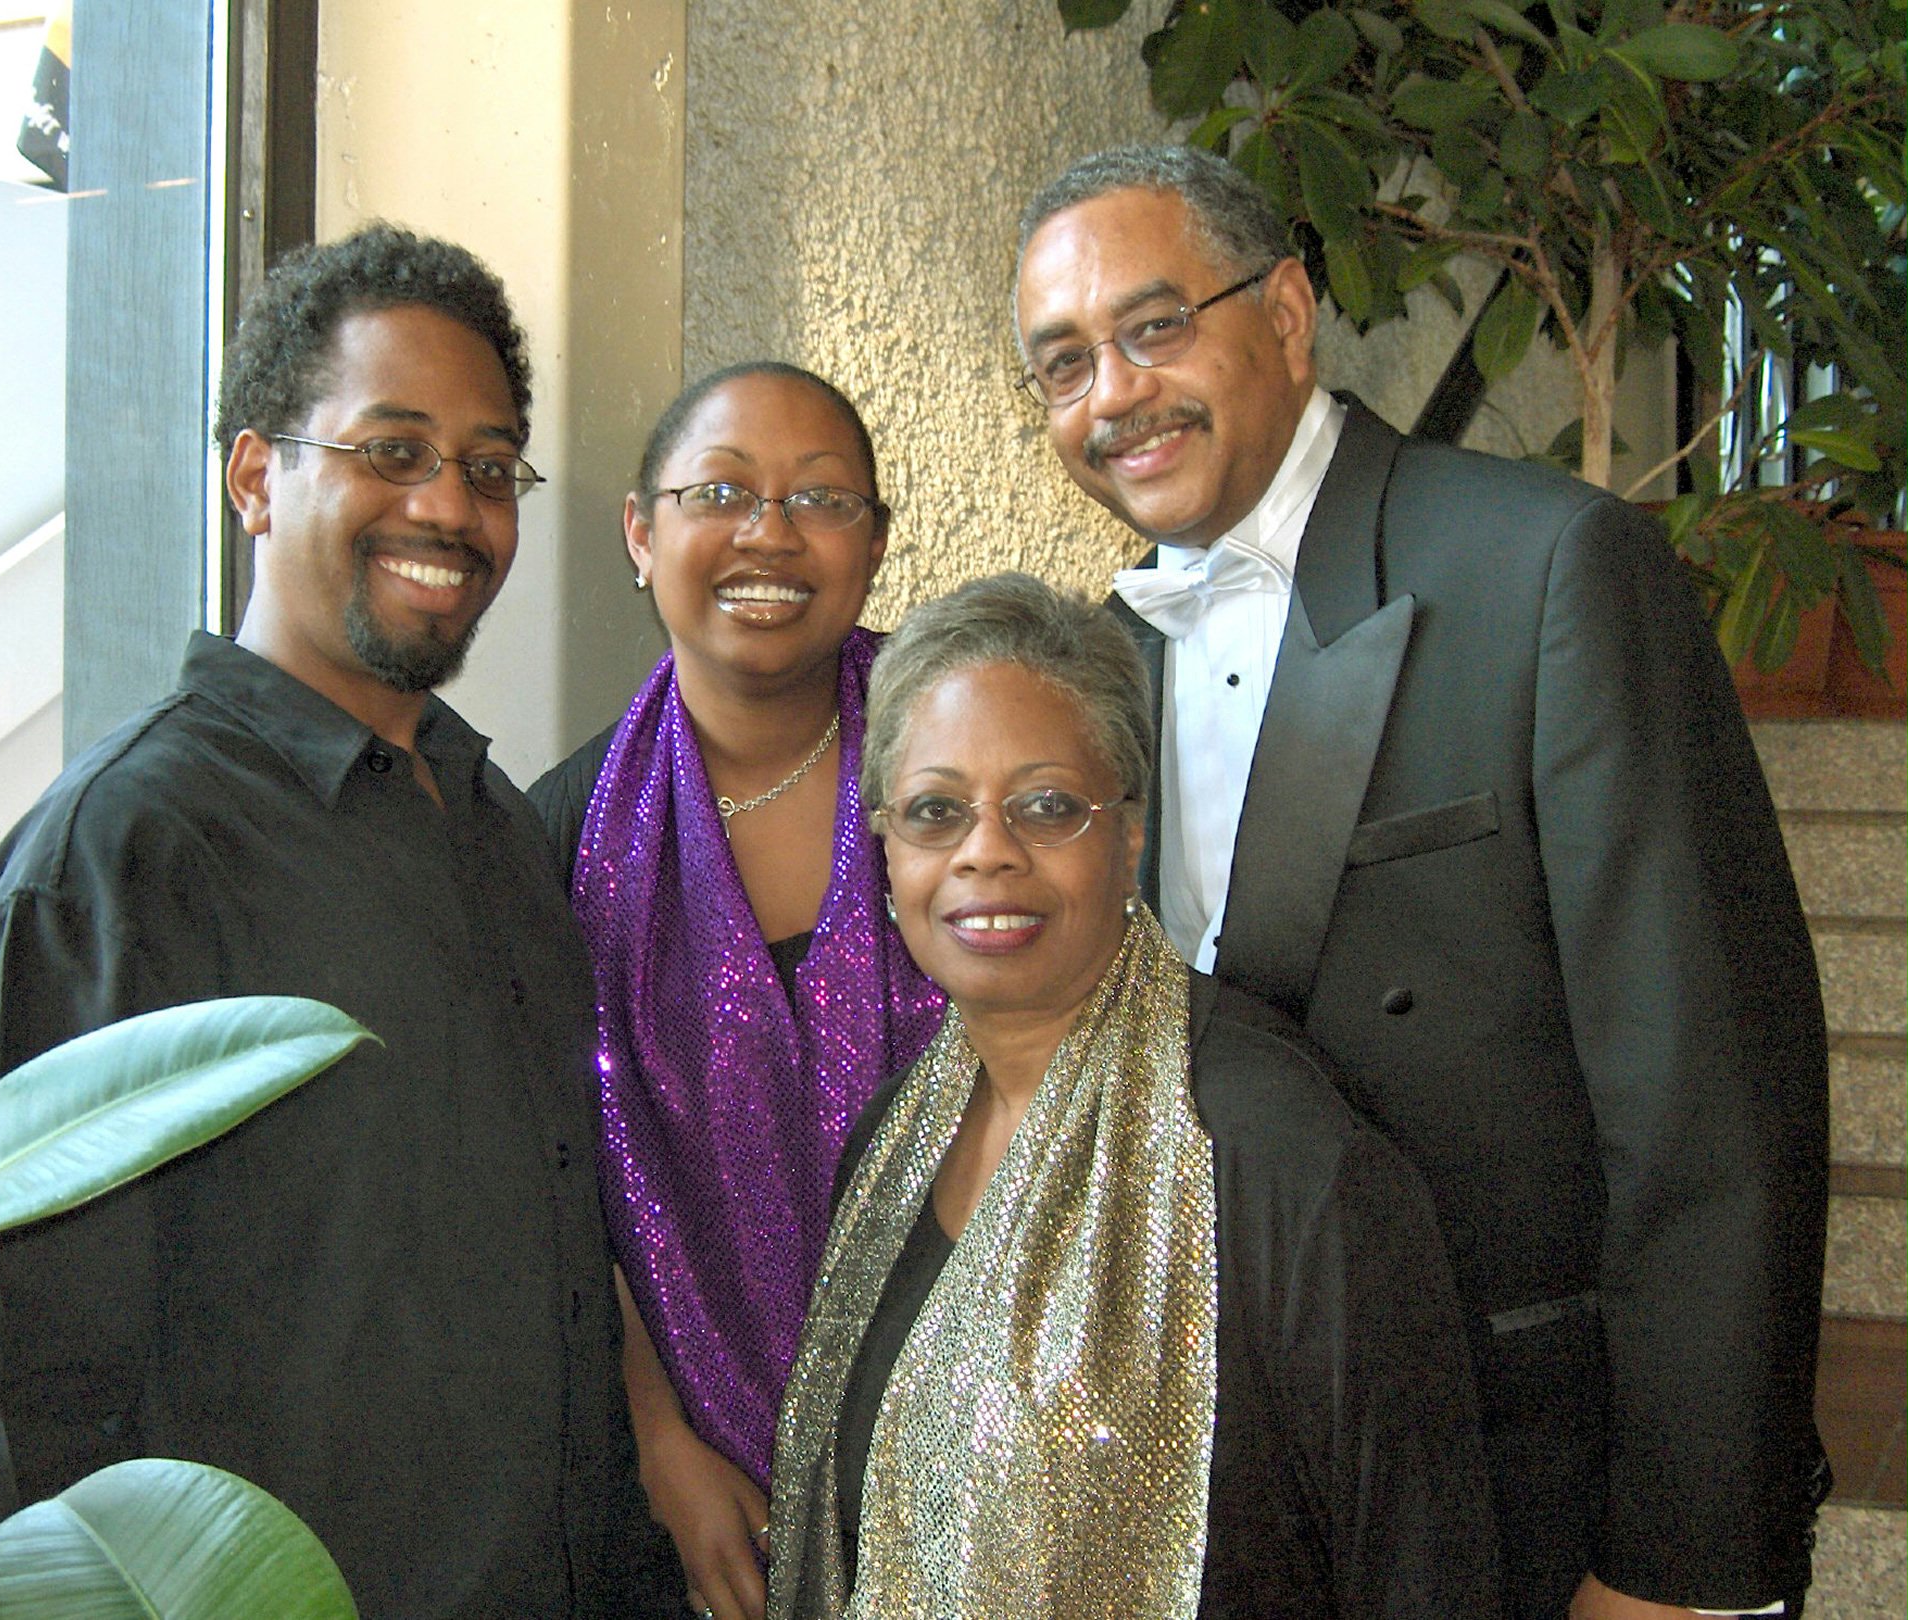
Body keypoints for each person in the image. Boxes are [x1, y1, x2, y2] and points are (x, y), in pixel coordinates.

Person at [1012, 143, 1831, 1619]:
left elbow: (1710, 1107)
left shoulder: (1550, 567)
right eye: (1063, 363)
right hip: (1246, 1486)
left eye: (1154, 327)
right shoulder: (1104, 659)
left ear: (1286, 315)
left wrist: (1677, 1562)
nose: (1113, 394)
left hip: (1526, 1480)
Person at [0, 224, 673, 1619]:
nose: (451, 507)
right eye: (394, 450)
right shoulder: (122, 854)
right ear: (255, 477)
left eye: (489, 468)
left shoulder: (498, 829)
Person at [767, 572, 1501, 1619]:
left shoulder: (1276, 1158)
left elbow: (1420, 1574)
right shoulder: (890, 1139)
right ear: (886, 847)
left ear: (1132, 834)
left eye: (1048, 807)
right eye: (935, 811)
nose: (986, 851)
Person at [528, 362, 944, 1620]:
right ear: (640, 535)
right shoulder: (554, 842)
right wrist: (659, 1442)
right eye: (721, 492)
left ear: (874, 545)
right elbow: (557, 1182)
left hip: (989, 1436)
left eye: (821, 498)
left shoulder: (964, 763)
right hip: (695, 1508)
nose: (770, 533)